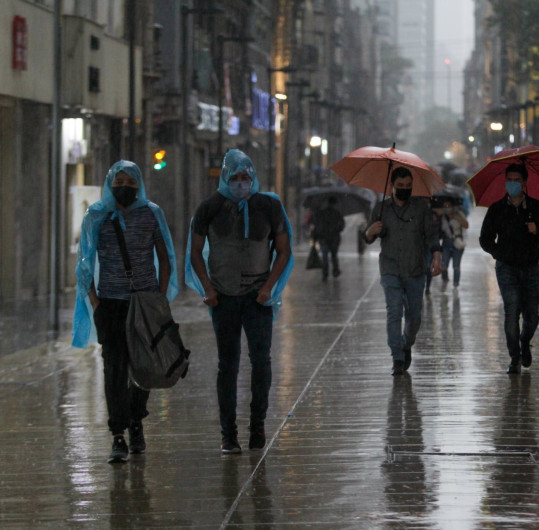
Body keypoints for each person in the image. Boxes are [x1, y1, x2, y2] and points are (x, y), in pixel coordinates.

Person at [187, 149, 293, 454]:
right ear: (224, 177)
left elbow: (283, 250)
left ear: (254, 177)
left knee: (261, 361)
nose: (241, 182)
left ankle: (257, 424)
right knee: (227, 365)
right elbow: (195, 252)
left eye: (246, 176)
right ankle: (228, 433)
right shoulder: (209, 208)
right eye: (234, 177)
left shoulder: (269, 207)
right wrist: (207, 288)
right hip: (223, 298)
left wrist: (269, 288)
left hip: (258, 298)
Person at [72, 160, 178, 464]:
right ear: (109, 183)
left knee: (145, 368)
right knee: (115, 370)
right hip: (111, 304)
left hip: (144, 304)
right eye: (120, 182)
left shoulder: (152, 214)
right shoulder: (97, 216)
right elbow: (84, 263)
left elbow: (165, 256)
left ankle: (135, 420)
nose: (125, 188)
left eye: (131, 183)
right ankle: (118, 434)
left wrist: (159, 297)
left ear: (139, 185)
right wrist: (96, 303)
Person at [364, 166, 442, 375]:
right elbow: (369, 236)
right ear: (392, 186)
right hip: (390, 268)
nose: (404, 189)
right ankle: (397, 357)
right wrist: (370, 232)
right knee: (394, 311)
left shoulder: (421, 208)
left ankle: (406, 344)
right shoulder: (381, 209)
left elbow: (431, 235)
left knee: (414, 316)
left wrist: (436, 255)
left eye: (408, 186)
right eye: (400, 186)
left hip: (415, 269)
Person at [479, 163, 539, 374]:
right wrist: (498, 252)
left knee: (532, 315)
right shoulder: (497, 209)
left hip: (530, 267)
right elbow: (485, 238)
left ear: (524, 182)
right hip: (507, 268)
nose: (513, 183)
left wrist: (536, 230)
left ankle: (524, 342)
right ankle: (514, 357)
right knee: (511, 311)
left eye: (517, 180)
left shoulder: (536, 208)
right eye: (509, 179)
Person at [436, 197, 469, 288]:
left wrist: (456, 217)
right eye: (445, 206)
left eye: (449, 205)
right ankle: (445, 279)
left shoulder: (459, 214)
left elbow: (466, 225)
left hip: (457, 242)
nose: (447, 207)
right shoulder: (442, 216)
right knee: (444, 265)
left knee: (456, 266)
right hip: (446, 242)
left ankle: (455, 283)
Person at [312, 196, 346, 280]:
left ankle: (325, 273)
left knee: (324, 256)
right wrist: (336, 229)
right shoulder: (337, 213)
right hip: (334, 238)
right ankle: (335, 271)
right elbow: (342, 226)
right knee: (334, 255)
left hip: (323, 238)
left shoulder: (322, 213)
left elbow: (317, 223)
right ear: (335, 204)